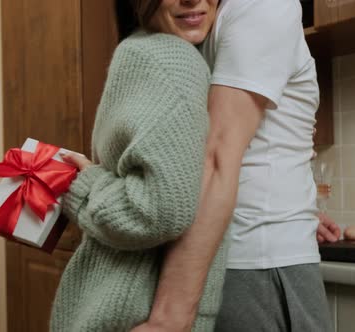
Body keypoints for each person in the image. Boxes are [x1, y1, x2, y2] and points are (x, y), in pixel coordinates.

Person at [139, 1, 341, 331]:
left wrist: (169, 317)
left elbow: (220, 154)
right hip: (241, 260)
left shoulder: (259, 7)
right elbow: (213, 153)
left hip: (255, 258)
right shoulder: (208, 26)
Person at [49, 1, 224, 331]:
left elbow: (165, 201)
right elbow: (157, 211)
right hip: (134, 311)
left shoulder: (152, 53)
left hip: (125, 306)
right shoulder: (170, 59)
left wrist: (84, 184)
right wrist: (83, 186)